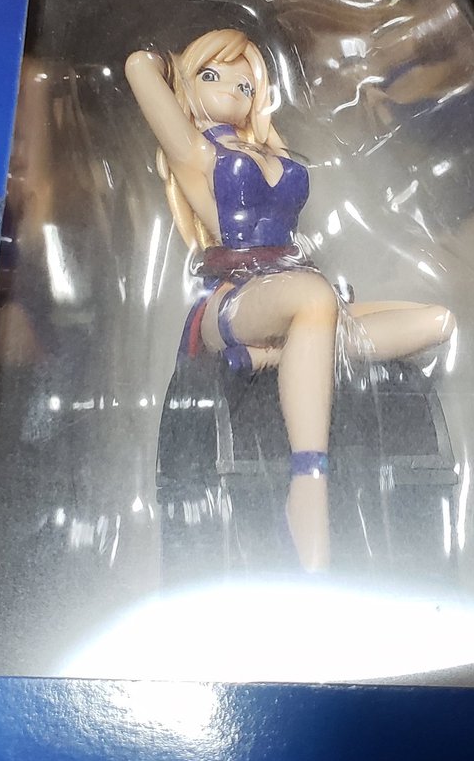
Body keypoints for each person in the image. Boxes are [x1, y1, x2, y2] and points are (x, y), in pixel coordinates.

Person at [125, 29, 455, 571]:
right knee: (313, 296)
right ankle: (308, 479)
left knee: (436, 321)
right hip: (234, 301)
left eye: (245, 84)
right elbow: (139, 65)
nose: (232, 90)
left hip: (296, 295)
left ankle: (283, 354)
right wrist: (176, 63)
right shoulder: (194, 152)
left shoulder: (265, 148)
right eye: (213, 76)